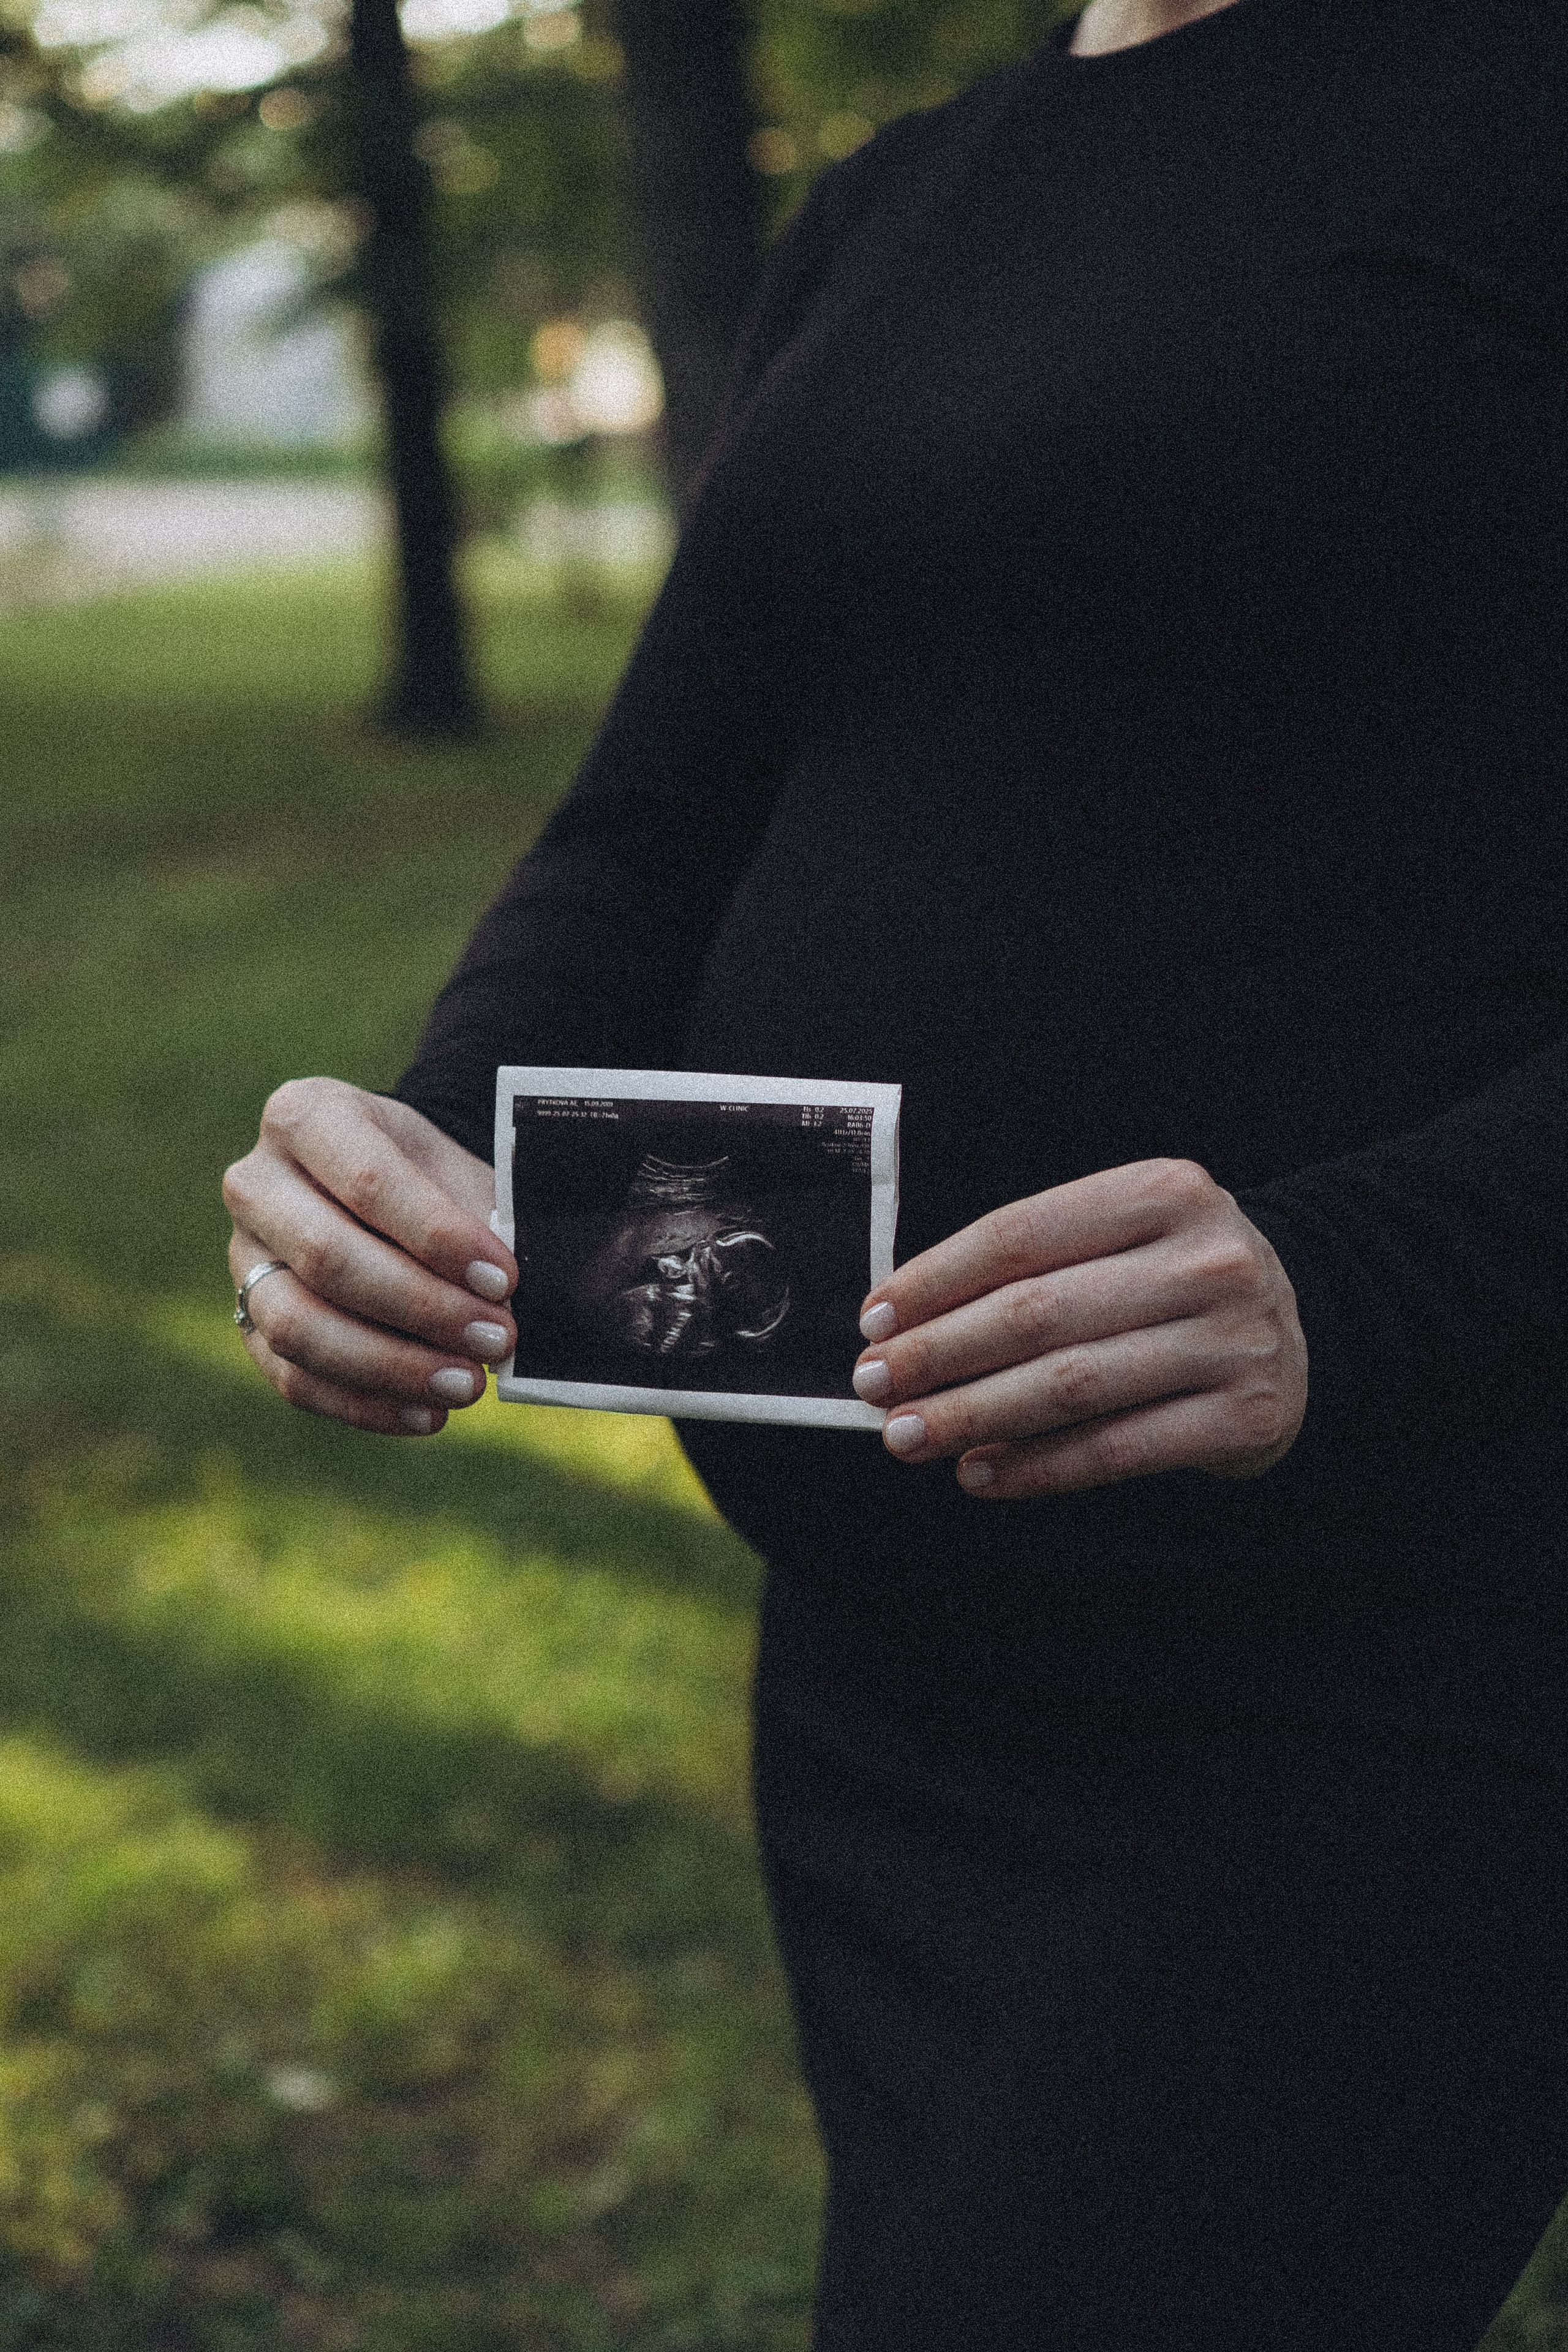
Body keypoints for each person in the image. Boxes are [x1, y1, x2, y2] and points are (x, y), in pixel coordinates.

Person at [222, 0, 1568, 2339]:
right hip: (894, 1681)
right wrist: (428, 1154)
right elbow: (661, 822)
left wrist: (1367, 1277)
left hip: (1387, 1664)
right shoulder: (909, 192)